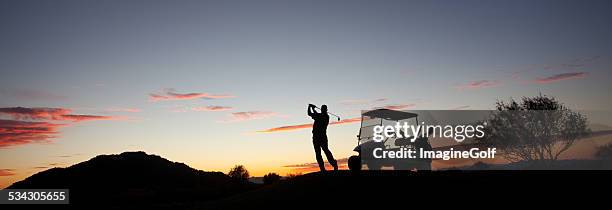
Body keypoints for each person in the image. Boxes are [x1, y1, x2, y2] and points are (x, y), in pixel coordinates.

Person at [308, 104, 338, 171]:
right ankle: (322, 169)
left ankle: (334, 164)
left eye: (323, 109)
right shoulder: (320, 115)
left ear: (325, 110)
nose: (322, 110)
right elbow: (309, 113)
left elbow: (316, 115)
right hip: (315, 137)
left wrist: (312, 108)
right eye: (322, 109)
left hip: (322, 137)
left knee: (326, 150)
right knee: (318, 153)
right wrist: (310, 107)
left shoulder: (326, 117)